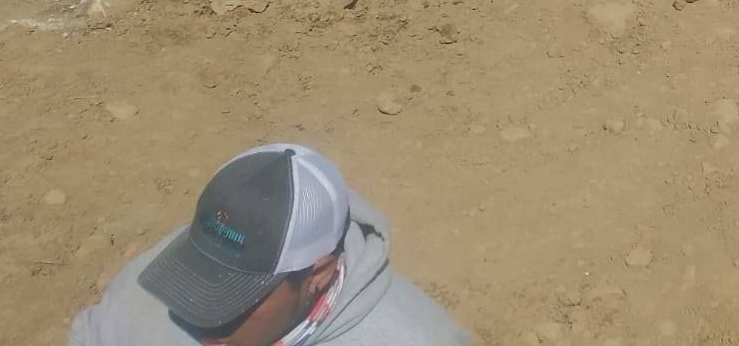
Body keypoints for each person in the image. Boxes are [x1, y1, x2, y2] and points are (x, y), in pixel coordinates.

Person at [69, 143, 470, 346]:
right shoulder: (150, 287)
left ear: (319, 274)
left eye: (234, 298)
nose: (202, 317)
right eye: (197, 273)